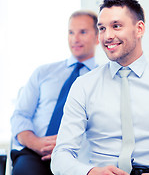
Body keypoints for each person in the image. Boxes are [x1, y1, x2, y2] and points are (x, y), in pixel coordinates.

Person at [50, 0, 149, 175]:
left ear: (139, 29)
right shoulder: (83, 86)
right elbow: (61, 156)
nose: (107, 36)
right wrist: (91, 172)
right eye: (102, 28)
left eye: (116, 26)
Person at [10, 10, 99, 175]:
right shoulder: (43, 73)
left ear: (98, 37)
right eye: (71, 32)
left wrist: (67, 148)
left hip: (80, 157)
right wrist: (36, 143)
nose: (75, 39)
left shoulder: (103, 79)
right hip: (35, 154)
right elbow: (20, 115)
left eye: (83, 32)